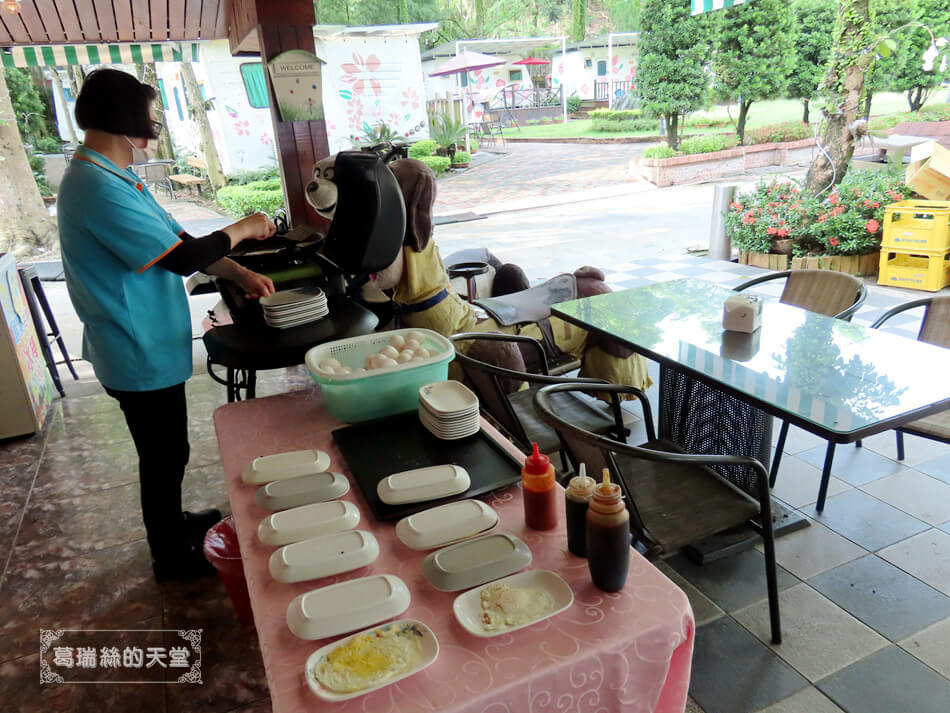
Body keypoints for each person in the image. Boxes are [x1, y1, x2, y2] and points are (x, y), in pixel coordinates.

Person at [58, 68, 277, 581]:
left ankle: (173, 523)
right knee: (162, 454)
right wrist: (245, 227)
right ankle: (170, 556)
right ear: (127, 115)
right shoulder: (94, 186)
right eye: (149, 111)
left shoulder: (116, 175)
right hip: (134, 346)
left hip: (147, 339)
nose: (154, 122)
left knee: (167, 449)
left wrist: (238, 269)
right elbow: (182, 260)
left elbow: (177, 243)